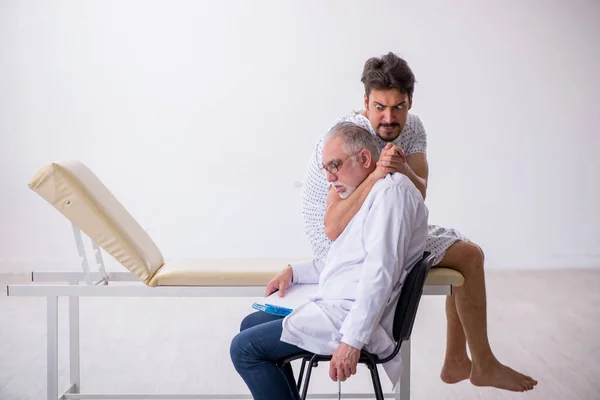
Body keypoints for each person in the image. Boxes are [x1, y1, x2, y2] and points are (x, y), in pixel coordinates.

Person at [300, 52, 537, 392]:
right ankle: (473, 363)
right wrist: (378, 173)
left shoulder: (413, 129)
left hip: (385, 217)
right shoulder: (349, 136)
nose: (388, 117)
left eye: (398, 107)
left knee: (471, 254)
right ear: (365, 102)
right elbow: (333, 227)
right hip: (342, 238)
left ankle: (466, 361)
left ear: (410, 102)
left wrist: (404, 169)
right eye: (379, 106)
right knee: (466, 257)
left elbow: (419, 193)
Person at [230, 122, 429, 399]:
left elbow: (380, 273)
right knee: (250, 325)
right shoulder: (369, 193)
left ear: (364, 158)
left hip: (352, 320)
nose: (329, 178)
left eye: (335, 166)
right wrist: (294, 272)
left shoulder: (392, 195)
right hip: (340, 306)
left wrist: (352, 341)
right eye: (326, 168)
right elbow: (347, 259)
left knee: (244, 349)